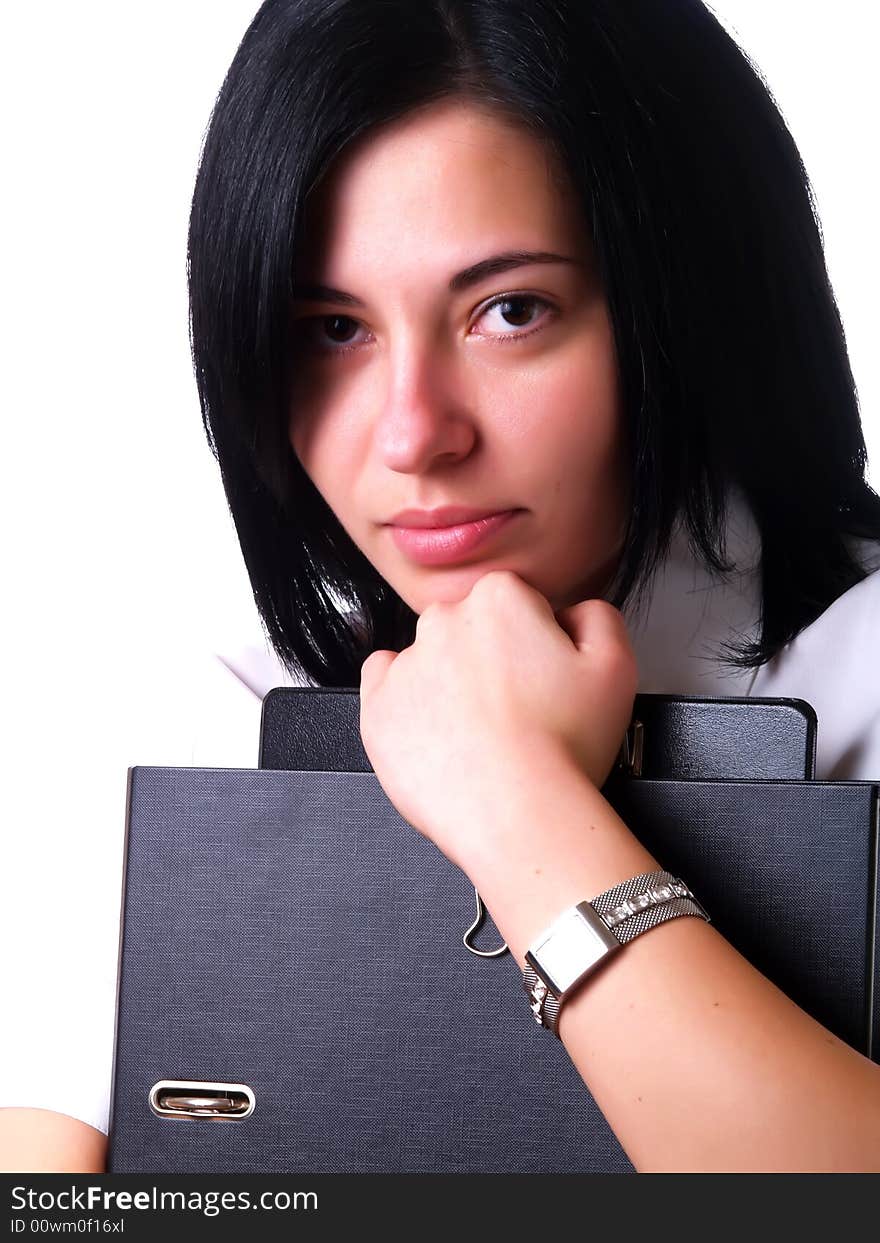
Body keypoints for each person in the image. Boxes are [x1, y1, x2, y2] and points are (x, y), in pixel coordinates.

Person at [4, 0, 880, 1173]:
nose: (413, 435)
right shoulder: (217, 698)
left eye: (509, 311)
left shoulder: (859, 665)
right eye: (331, 329)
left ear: (691, 300)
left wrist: (514, 803)